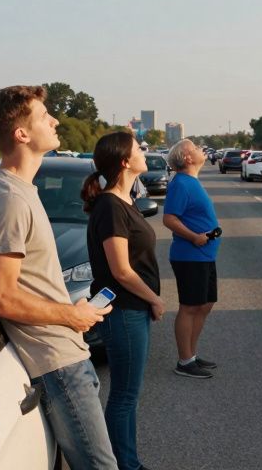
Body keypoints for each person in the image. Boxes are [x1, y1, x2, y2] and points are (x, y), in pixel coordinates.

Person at [0, 86, 119, 470]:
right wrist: (71, 317)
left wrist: (71, 309)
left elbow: (29, 284)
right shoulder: (9, 199)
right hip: (56, 362)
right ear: (21, 134)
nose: (54, 121)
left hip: (66, 354)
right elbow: (1, 297)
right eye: (43, 116)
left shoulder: (22, 191)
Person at [82, 131, 165, 470]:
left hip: (133, 310)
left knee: (128, 395)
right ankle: (125, 465)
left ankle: (126, 460)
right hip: (125, 311)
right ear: (125, 161)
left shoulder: (124, 201)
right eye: (138, 149)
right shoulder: (110, 206)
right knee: (124, 396)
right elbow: (121, 270)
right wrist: (155, 300)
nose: (144, 152)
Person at [161, 138, 220, 379]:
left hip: (204, 255)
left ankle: (192, 355)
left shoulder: (191, 182)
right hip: (190, 256)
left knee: (205, 305)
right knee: (190, 307)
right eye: (195, 148)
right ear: (187, 158)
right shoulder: (181, 184)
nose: (200, 150)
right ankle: (184, 361)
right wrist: (195, 237)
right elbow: (169, 219)